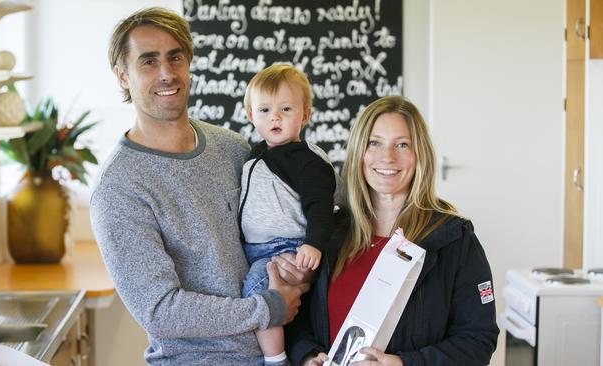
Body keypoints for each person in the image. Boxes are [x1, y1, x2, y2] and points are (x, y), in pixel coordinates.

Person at [90, 7, 309, 365]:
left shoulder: (232, 148)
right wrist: (265, 309)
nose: (166, 73)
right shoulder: (119, 188)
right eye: (148, 62)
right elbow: (160, 310)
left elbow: (274, 231)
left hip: (282, 352)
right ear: (123, 76)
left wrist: (295, 265)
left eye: (175, 57)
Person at [284, 96, 499, 365]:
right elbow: (295, 319)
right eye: (374, 143)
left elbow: (478, 339)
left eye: (402, 144)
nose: (387, 157)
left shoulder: (454, 238)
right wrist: (307, 356)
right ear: (359, 152)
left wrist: (402, 363)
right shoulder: (327, 235)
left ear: (419, 154)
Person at [239, 64, 338, 366]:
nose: (276, 117)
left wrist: (313, 244)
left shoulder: (306, 161)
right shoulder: (255, 154)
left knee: (259, 293)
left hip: (285, 249)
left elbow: (320, 207)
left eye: (285, 108)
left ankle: (275, 359)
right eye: (265, 110)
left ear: (305, 115)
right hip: (256, 249)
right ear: (252, 115)